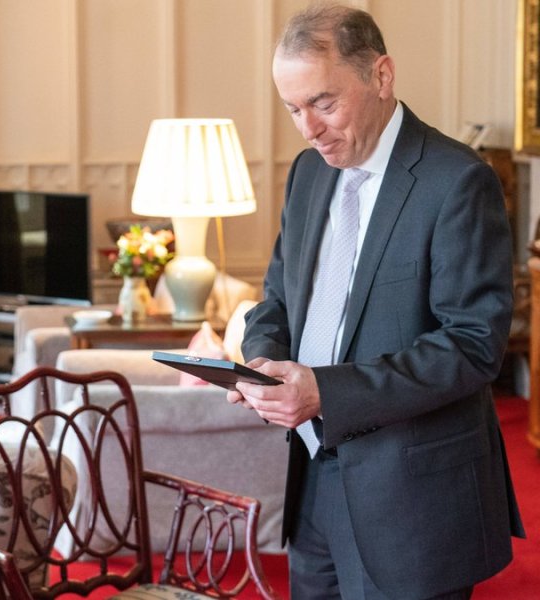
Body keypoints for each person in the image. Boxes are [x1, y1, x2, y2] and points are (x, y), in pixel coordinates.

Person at [228, 4, 524, 599]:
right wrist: (259, 364)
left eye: (324, 103)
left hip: (410, 494)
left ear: (381, 76)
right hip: (310, 480)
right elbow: (276, 302)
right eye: (293, 109)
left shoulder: (457, 180)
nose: (309, 128)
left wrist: (324, 392)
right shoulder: (308, 173)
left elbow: (472, 346)